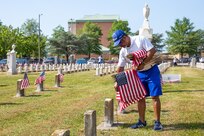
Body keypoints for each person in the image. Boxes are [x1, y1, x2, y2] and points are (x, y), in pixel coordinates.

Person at [112, 30, 163, 131]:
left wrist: (143, 63)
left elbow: (152, 51)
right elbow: (120, 67)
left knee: (155, 96)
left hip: (151, 70)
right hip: (139, 74)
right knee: (140, 96)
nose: (120, 46)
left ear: (125, 37)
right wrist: (118, 82)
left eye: (120, 42)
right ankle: (141, 121)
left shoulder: (140, 39)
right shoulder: (123, 51)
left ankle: (157, 122)